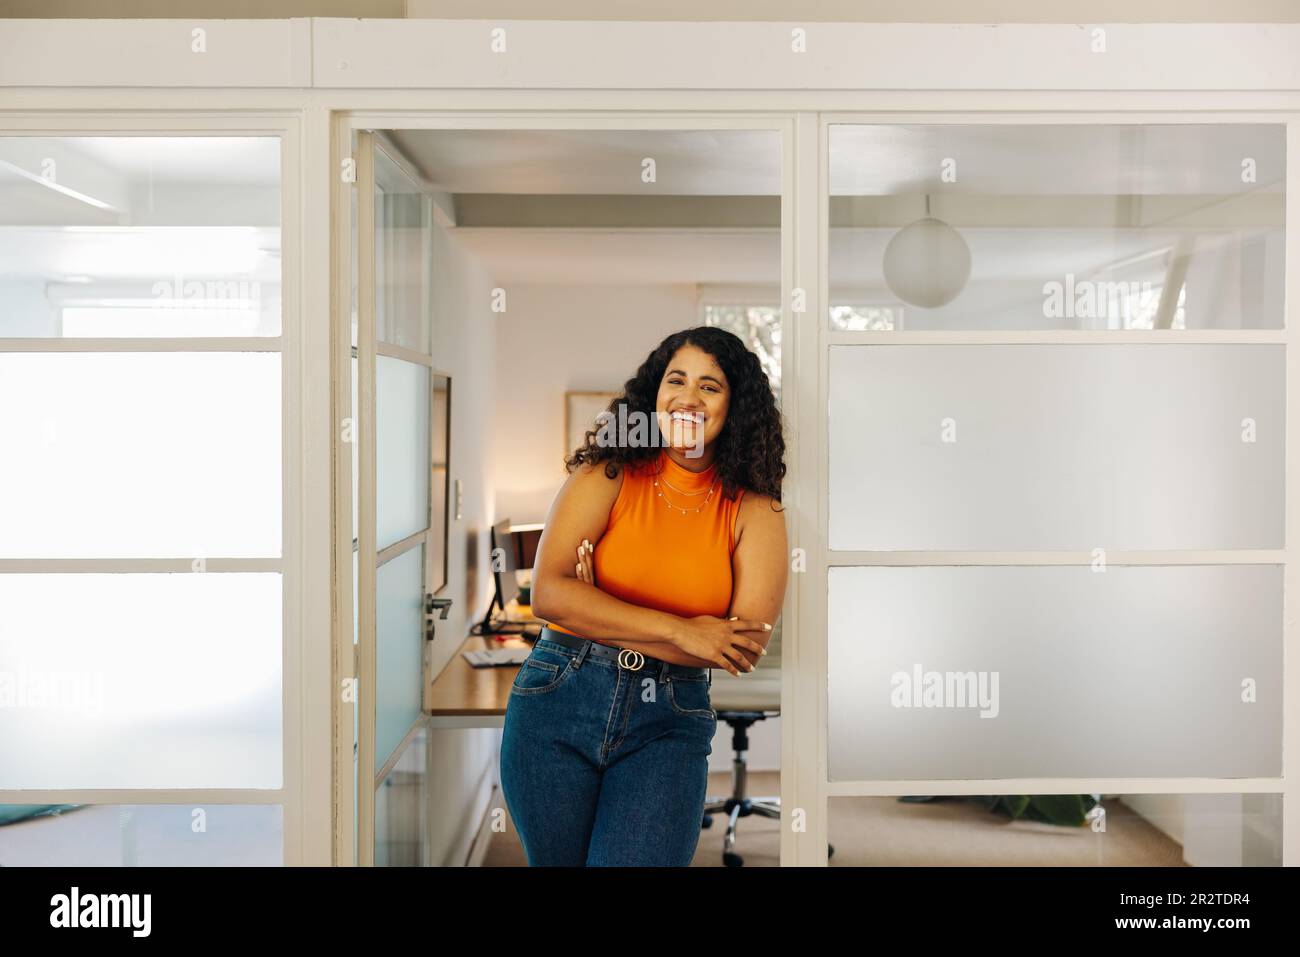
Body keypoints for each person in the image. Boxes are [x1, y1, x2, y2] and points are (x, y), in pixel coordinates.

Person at [499, 325, 789, 866]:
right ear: (654, 394)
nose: (688, 398)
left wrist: (599, 611)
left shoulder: (756, 512)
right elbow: (549, 596)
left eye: (710, 386)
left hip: (669, 720)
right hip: (558, 697)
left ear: (737, 405)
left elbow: (738, 649)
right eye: (676, 380)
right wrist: (687, 629)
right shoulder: (607, 473)